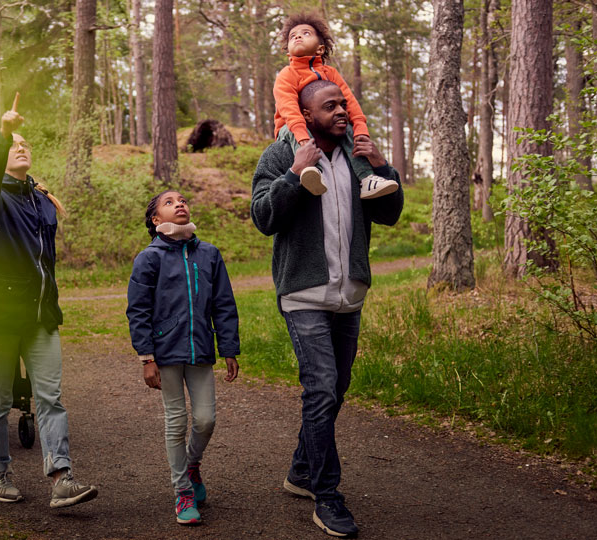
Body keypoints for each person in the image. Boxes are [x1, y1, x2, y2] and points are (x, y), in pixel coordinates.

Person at [251, 80, 403, 538]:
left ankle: (301, 469)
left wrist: (382, 166)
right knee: (320, 388)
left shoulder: (356, 154)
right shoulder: (280, 154)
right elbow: (263, 216)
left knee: (336, 389)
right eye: (329, 105)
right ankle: (327, 495)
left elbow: (389, 214)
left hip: (349, 294)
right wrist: (296, 175)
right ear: (304, 112)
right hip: (303, 294)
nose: (342, 111)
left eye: (343, 103)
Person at [0, 93, 97, 508]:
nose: (21, 147)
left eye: (25, 144)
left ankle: (62, 477)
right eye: (13, 145)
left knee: (50, 399)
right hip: (0, 317)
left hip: (42, 317)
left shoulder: (41, 200)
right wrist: (2, 134)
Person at [126, 190, 241, 526]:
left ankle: (192, 465)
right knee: (176, 421)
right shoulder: (149, 258)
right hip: (165, 352)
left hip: (201, 348)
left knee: (206, 420)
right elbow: (138, 310)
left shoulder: (209, 254)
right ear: (156, 219)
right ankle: (183, 492)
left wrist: (229, 348)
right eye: (169, 202)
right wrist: (146, 356)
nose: (179, 203)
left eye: (182, 199)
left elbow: (224, 303)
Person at [272, 11, 398, 201]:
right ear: (288, 50)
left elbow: (350, 103)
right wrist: (303, 139)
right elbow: (288, 110)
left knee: (348, 130)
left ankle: (367, 179)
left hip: (324, 129)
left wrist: (361, 131)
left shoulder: (331, 73)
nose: (298, 36)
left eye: (306, 33)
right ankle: (311, 172)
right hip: (291, 128)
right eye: (293, 36)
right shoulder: (286, 75)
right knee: (291, 127)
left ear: (320, 49)